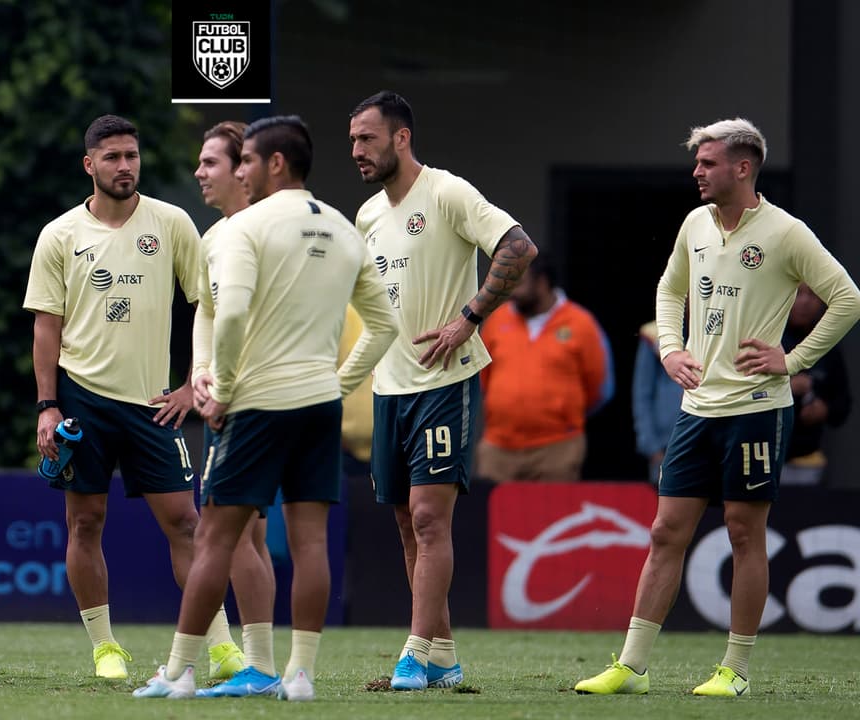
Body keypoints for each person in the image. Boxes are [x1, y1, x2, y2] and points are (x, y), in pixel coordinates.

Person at [575, 118, 860, 698]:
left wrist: (793, 360)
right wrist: (672, 349)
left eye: (708, 163)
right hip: (696, 408)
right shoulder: (695, 223)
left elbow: (847, 298)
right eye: (697, 162)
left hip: (756, 407)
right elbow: (669, 289)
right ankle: (632, 667)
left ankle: (735, 670)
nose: (697, 172)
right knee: (665, 531)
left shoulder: (785, 232)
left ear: (743, 167)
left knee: (743, 532)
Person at [134, 115, 399, 702]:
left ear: (276, 163)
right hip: (318, 407)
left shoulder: (243, 228)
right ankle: (299, 675)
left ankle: (178, 673)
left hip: (256, 404)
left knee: (214, 539)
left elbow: (229, 313)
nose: (241, 171)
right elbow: (385, 326)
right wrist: (336, 383)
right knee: (310, 543)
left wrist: (223, 388)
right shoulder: (344, 228)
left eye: (248, 159)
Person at [23, 114, 242, 680]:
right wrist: (47, 405)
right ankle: (105, 648)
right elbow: (46, 327)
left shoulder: (171, 223)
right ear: (89, 165)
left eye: (132, 156)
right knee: (85, 523)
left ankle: (221, 647)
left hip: (153, 403)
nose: (125, 166)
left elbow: (207, 306)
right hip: (81, 399)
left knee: (186, 523)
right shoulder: (59, 234)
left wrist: (193, 382)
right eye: (113, 157)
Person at [348, 91, 537, 691]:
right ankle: (445, 658)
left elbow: (519, 247)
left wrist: (469, 318)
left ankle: (413, 653)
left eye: (367, 138)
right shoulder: (366, 216)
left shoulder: (447, 191)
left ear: (401, 138)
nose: (357, 150)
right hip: (389, 387)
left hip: (444, 381)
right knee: (409, 525)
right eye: (352, 140)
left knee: (430, 519)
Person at [187, 120, 279, 697]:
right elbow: (208, 310)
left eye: (210, 162)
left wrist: (227, 385)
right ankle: (259, 663)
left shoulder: (265, 232)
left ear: (242, 169)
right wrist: (200, 371)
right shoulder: (214, 236)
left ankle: (255, 667)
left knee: (233, 533)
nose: (199, 172)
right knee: (248, 535)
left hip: (253, 401)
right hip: (227, 397)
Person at [476, 258, 615, 482]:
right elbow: (483, 378)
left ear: (542, 283)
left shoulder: (581, 323)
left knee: (555, 506)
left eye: (520, 283)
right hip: (499, 448)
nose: (512, 291)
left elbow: (599, 386)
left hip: (557, 447)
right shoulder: (497, 320)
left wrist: (561, 412)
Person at [781, 283, 851, 485]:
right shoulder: (769, 338)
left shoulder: (829, 345)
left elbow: (843, 404)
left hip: (806, 460)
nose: (804, 301)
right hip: (764, 454)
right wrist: (786, 387)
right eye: (798, 293)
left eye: (812, 294)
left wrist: (824, 410)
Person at [633, 320, 685, 483]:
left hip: (708, 440)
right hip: (666, 444)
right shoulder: (654, 334)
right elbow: (643, 394)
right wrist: (651, 446)